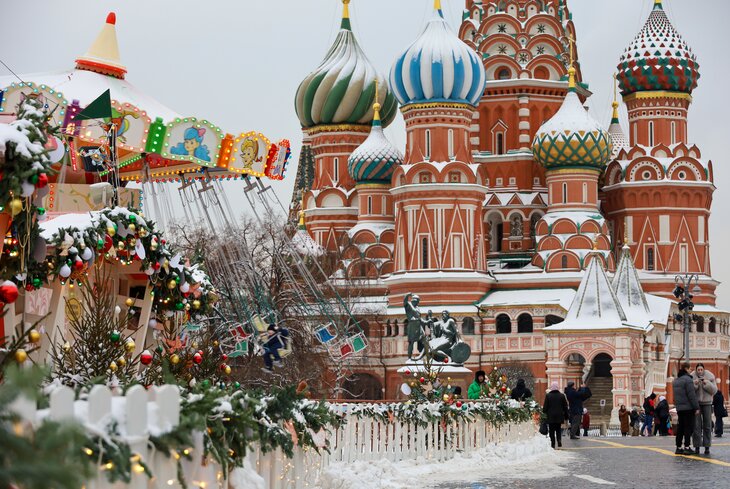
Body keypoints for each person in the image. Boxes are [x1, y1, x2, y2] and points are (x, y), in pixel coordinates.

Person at [673, 363, 700, 455]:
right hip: (688, 408)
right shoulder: (688, 380)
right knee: (688, 427)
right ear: (686, 369)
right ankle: (687, 447)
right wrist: (696, 407)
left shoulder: (676, 381)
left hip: (680, 408)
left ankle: (678, 447)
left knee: (680, 427)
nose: (690, 370)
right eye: (689, 368)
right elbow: (691, 395)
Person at [692, 362, 718, 454]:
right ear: (696, 370)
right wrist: (694, 384)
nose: (699, 371)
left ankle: (707, 446)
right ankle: (697, 446)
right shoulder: (692, 376)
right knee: (696, 425)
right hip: (696, 404)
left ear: (704, 369)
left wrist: (706, 383)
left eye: (701, 369)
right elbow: (690, 391)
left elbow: (714, 390)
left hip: (707, 403)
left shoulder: (710, 376)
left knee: (707, 425)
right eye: (698, 370)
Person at [543, 381, 569, 449]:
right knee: (558, 429)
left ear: (551, 387)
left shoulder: (548, 395)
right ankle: (559, 440)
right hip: (559, 415)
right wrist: (566, 415)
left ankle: (553, 443)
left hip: (550, 416)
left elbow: (545, 407)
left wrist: (544, 413)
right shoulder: (562, 395)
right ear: (557, 387)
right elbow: (565, 407)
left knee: (551, 430)